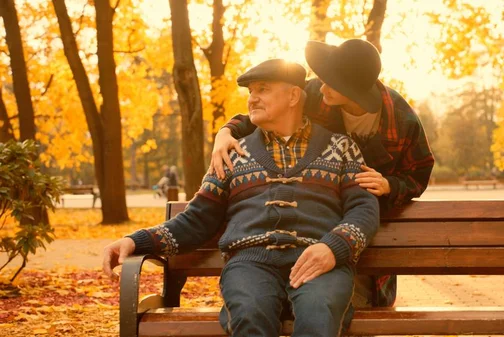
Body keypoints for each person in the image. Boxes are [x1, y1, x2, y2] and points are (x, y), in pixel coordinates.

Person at [102, 59, 379, 336]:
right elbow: (197, 219)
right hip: (250, 264)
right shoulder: (231, 154)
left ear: (294, 95)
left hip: (319, 259)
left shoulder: (342, 148)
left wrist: (333, 248)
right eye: (250, 92)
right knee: (249, 313)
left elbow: (363, 209)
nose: (252, 98)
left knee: (319, 312)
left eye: (262, 89)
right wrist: (134, 240)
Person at [210, 39, 435, 308]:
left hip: (364, 225)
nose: (320, 84)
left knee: (356, 305)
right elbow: (267, 113)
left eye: (331, 82)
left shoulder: (401, 119)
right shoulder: (318, 93)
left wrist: (390, 185)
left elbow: (418, 174)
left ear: (353, 92)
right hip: (316, 223)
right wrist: (226, 132)